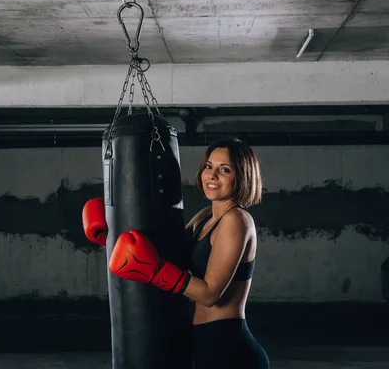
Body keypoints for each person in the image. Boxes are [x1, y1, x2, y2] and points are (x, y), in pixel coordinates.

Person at [82, 138, 269, 368]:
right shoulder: (205, 217)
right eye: (209, 166)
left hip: (230, 348)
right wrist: (112, 236)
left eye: (225, 170)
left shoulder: (237, 220)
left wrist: (155, 270)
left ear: (242, 176)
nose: (212, 175)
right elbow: (166, 252)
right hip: (204, 342)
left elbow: (210, 295)